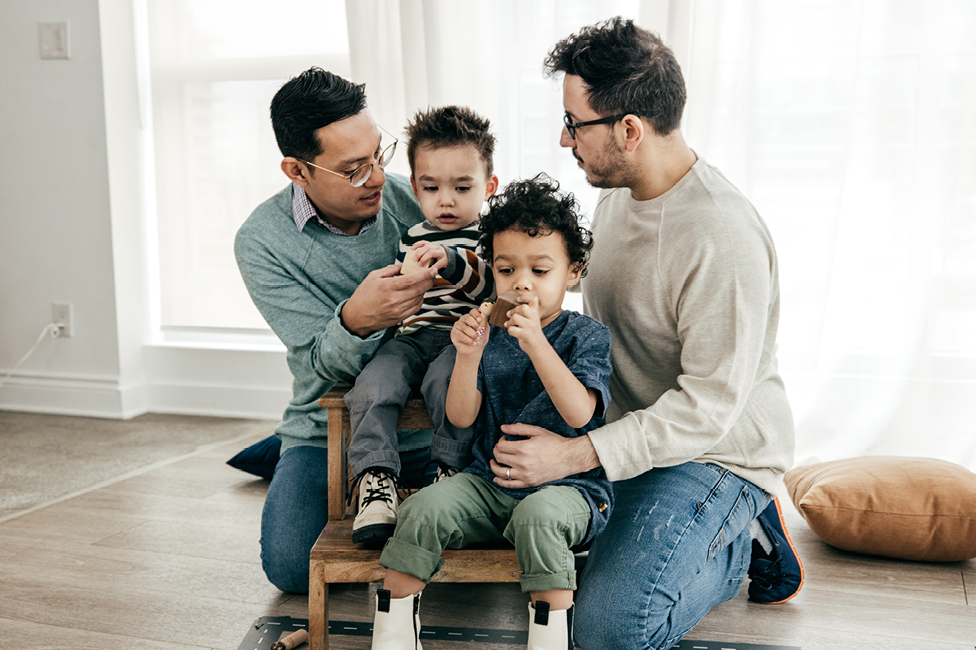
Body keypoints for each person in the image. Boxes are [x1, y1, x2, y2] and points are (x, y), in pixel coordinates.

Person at [485, 18, 803, 649]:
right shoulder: (618, 194)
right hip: (627, 433)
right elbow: (618, 295)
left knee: (608, 632)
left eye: (575, 124)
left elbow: (709, 406)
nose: (564, 138)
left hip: (713, 450)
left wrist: (574, 455)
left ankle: (743, 538)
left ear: (628, 130)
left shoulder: (720, 236)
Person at [368, 175, 613, 650]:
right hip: (488, 482)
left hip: (569, 490)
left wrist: (538, 344)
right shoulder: (491, 331)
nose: (521, 284)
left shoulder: (587, 336)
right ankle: (393, 640)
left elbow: (581, 413)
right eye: (506, 271)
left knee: (539, 517)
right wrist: (467, 357)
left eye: (540, 271)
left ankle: (549, 641)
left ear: (574, 271)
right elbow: (460, 418)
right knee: (420, 508)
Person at [234, 67, 438, 593]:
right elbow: (319, 364)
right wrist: (359, 318)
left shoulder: (417, 201)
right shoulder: (262, 242)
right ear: (297, 172)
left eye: (379, 155)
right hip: (332, 425)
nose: (374, 178)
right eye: (352, 170)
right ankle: (281, 452)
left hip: (432, 418)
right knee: (291, 568)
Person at [344, 105, 499, 545]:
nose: (445, 199)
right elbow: (400, 300)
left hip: (464, 339)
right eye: (431, 187)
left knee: (447, 382)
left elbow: (489, 284)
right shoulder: (412, 234)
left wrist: (451, 261)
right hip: (412, 336)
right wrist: (398, 287)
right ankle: (375, 479)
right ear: (414, 186)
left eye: (462, 187)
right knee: (374, 382)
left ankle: (450, 470)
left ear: (488, 186)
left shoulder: (491, 235)